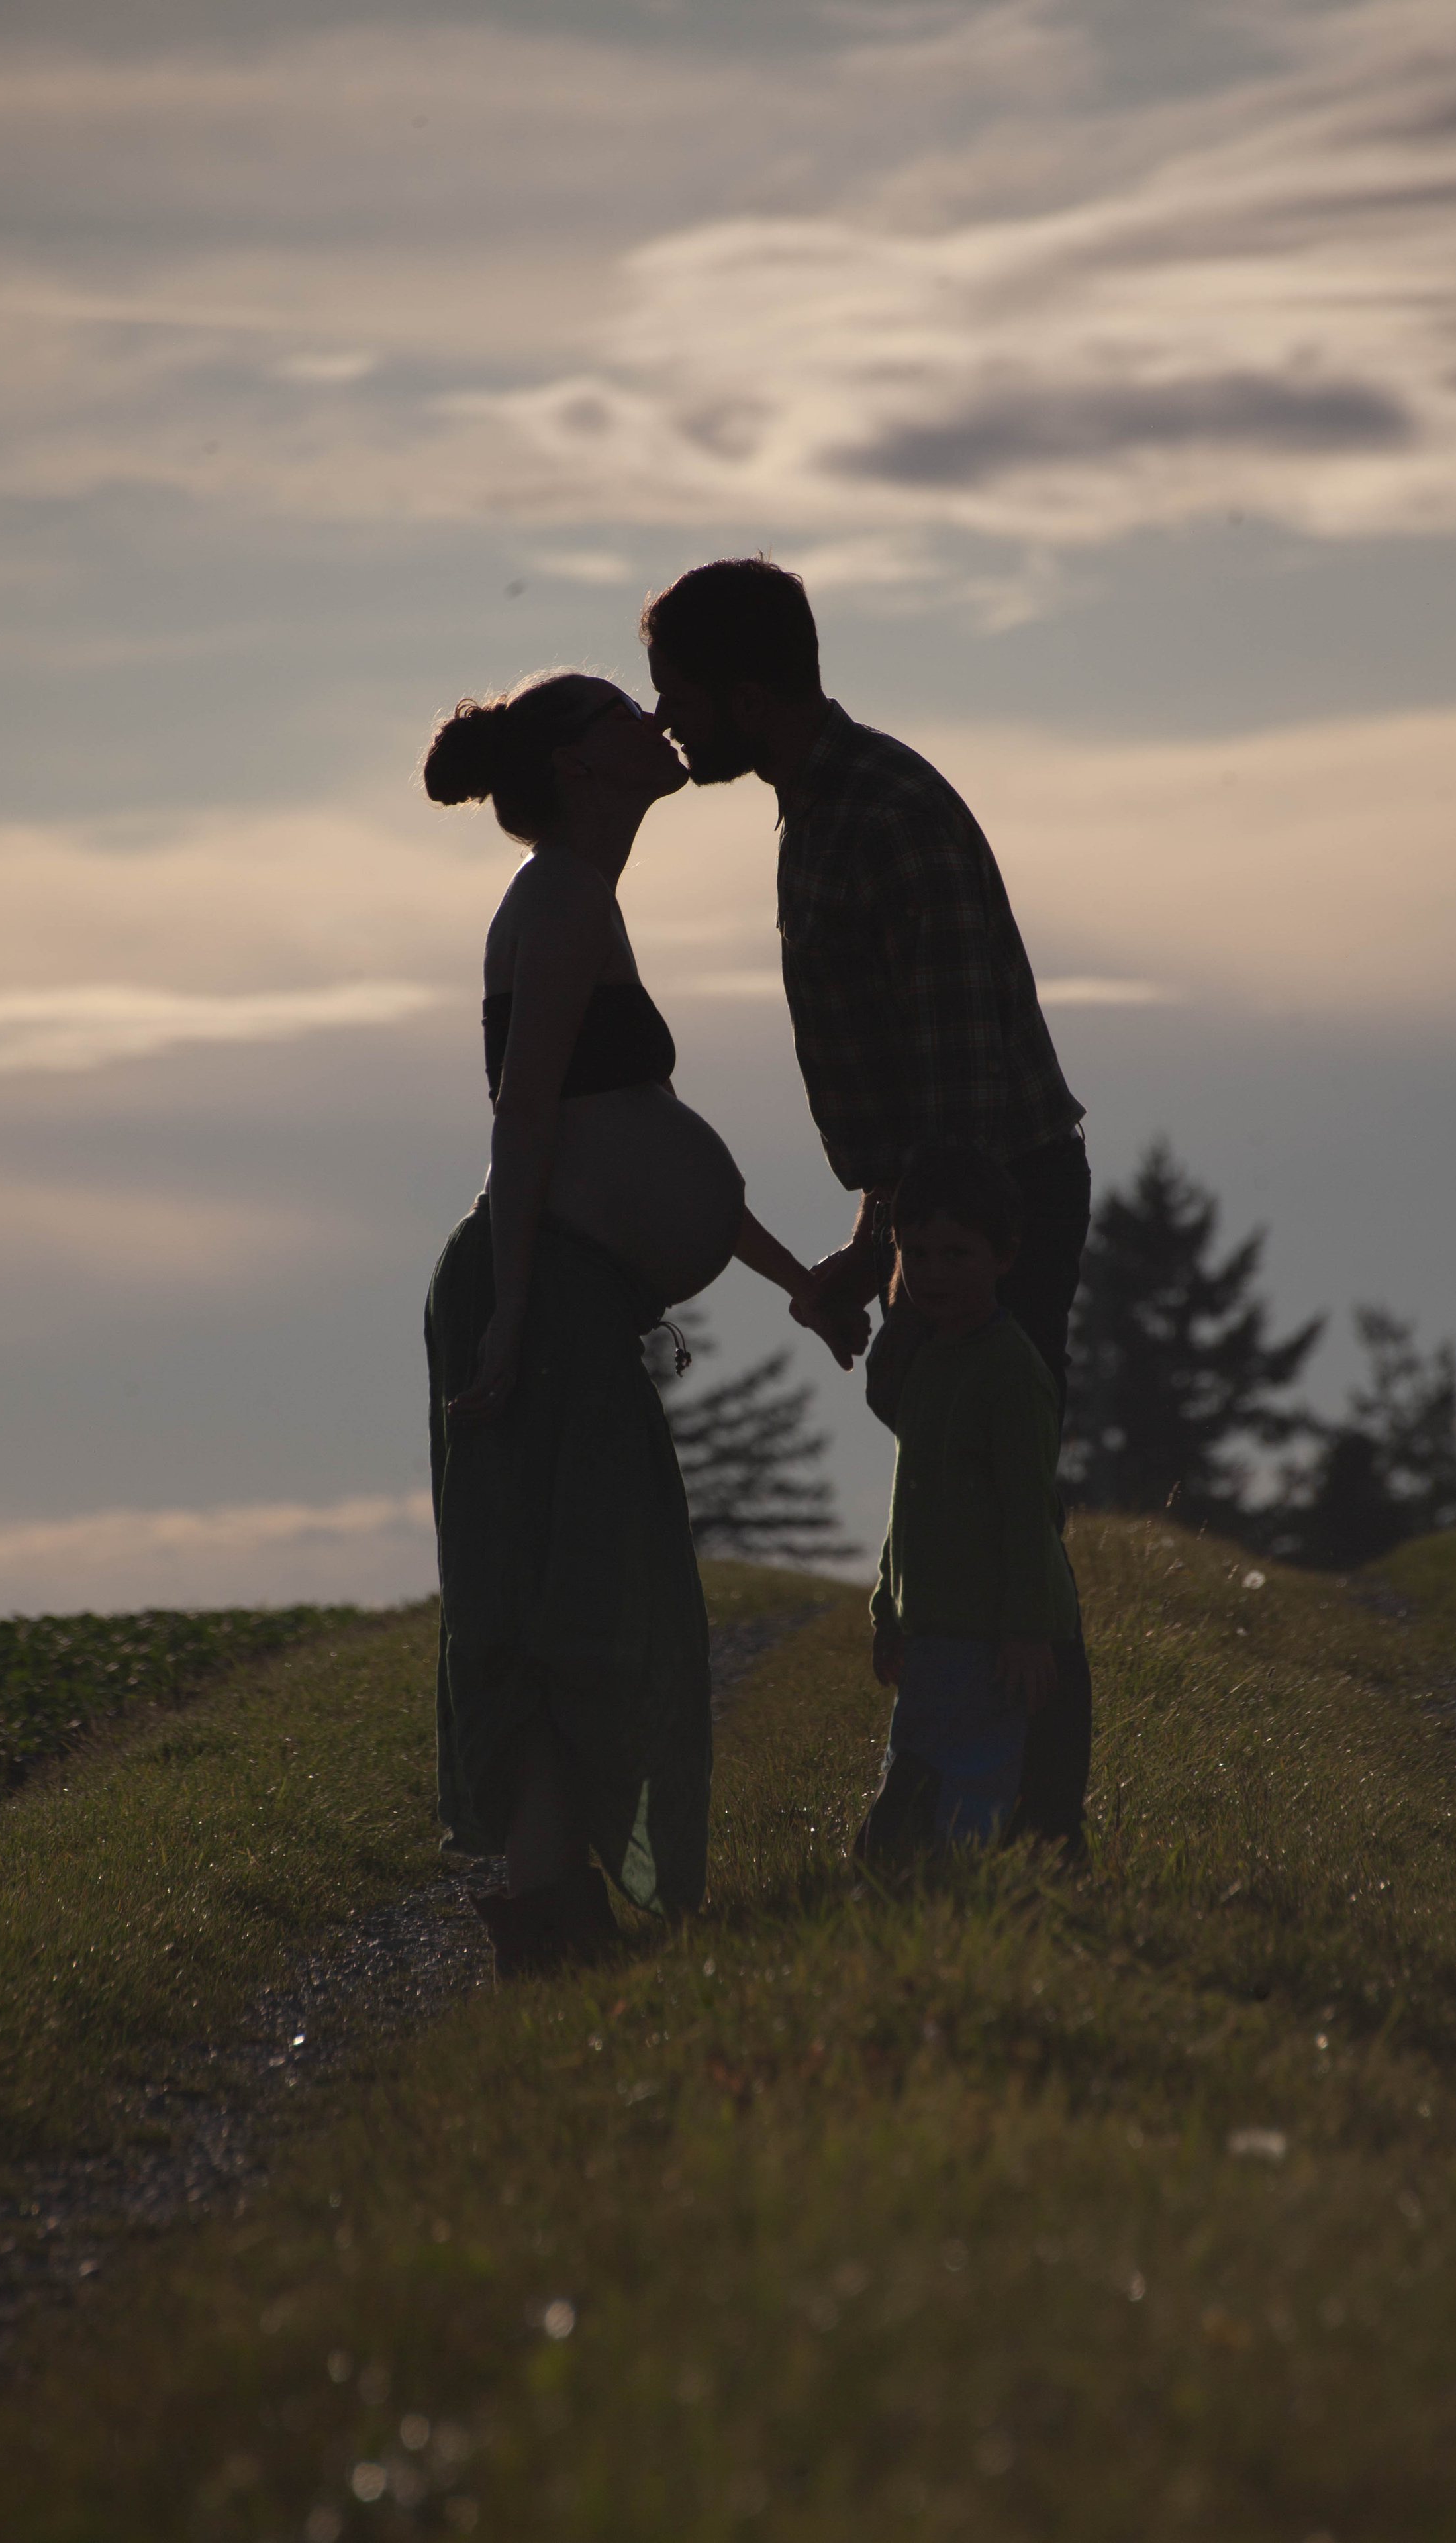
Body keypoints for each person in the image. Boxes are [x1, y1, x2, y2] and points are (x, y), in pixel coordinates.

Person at [421, 668, 853, 1976]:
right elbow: (523, 1123)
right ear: (579, 764)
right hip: (533, 1291)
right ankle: (548, 1914)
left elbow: (642, 1141)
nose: (654, 722)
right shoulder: (554, 898)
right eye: (623, 711)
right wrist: (506, 1321)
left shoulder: (582, 899)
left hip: (559, 1291)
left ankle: (555, 1907)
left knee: (595, 1589)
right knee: (574, 1592)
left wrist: (795, 1281)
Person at [640, 556, 1089, 1422]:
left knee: (978, 1456)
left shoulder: (884, 818)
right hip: (951, 1198)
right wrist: (875, 1240)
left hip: (993, 1196)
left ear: (749, 701)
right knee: (940, 1448)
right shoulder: (819, 809)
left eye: (679, 699)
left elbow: (957, 1088)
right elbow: (908, 1087)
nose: (664, 722)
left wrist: (930, 1256)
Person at [855, 1143, 1092, 1865]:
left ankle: (955, 1895)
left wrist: (1025, 1630)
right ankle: (917, 1882)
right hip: (934, 1631)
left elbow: (1027, 1513)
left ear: (1004, 1257)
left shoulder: (1009, 1371)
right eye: (916, 1253)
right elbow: (913, 1498)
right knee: (922, 1764)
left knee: (966, 1786)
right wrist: (887, 1609)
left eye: (956, 1254)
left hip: (993, 1638)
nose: (931, 1274)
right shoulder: (928, 1357)